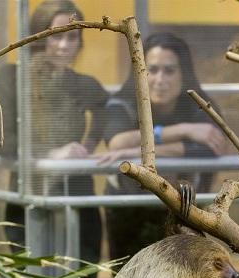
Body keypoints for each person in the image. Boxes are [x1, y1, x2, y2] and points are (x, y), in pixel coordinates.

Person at [0, 0, 114, 278]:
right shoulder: (11, 77)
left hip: (77, 199)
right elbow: (2, 142)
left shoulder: (82, 83)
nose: (65, 44)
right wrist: (52, 154)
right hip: (30, 202)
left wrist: (93, 147)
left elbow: (113, 109)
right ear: (38, 35)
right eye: (57, 34)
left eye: (73, 36)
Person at [95, 32, 226, 260]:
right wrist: (183, 131)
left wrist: (138, 150)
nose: (160, 79)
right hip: (128, 209)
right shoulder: (122, 102)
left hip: (182, 208)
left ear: (183, 73)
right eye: (152, 70)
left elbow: (211, 148)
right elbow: (116, 141)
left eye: (169, 70)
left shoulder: (198, 104)